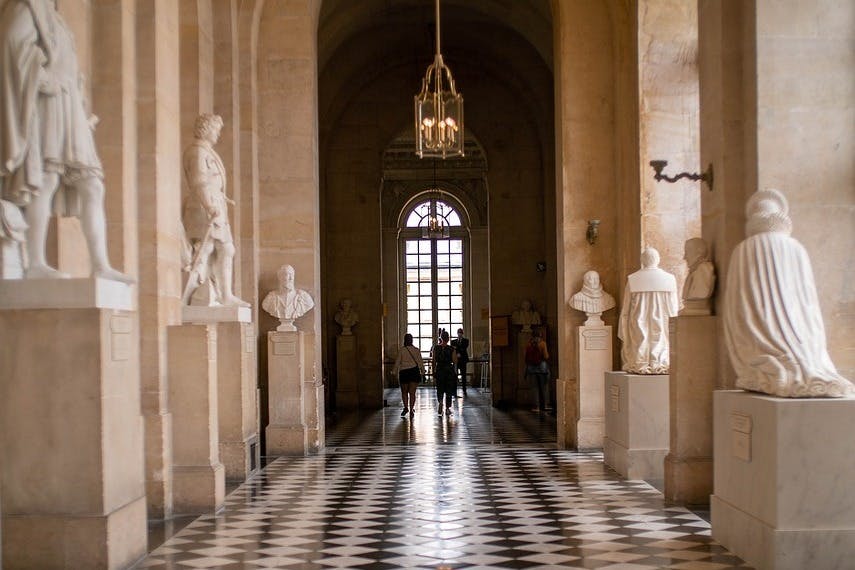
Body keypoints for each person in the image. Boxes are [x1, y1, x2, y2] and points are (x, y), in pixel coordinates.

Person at [0, 0, 131, 282]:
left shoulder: (56, 17)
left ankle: (100, 264)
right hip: (48, 102)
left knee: (92, 184)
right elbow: (11, 42)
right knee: (45, 179)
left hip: (70, 106)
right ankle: (36, 262)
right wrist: (42, 77)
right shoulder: (26, 6)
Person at [723, 189, 853, 398]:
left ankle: (789, 366)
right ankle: (802, 362)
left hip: (757, 332)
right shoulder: (796, 248)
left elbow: (737, 302)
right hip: (801, 336)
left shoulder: (744, 249)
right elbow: (808, 301)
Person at [181, 113, 249, 307]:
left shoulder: (206, 151)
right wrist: (210, 206)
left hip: (215, 204)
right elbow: (199, 182)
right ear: (206, 129)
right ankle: (195, 292)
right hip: (203, 206)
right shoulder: (197, 152)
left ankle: (224, 294)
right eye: (216, 130)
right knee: (206, 248)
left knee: (226, 248)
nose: (218, 134)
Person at [617, 247, 679, 374]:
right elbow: (674, 307)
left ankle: (641, 362)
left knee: (641, 339)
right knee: (660, 338)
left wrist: (623, 324)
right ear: (658, 260)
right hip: (662, 319)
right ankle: (659, 362)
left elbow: (627, 306)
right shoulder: (669, 278)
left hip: (639, 319)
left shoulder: (633, 278)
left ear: (642, 260)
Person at [261, 264, 314, 331]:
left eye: (292, 275)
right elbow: (265, 306)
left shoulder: (304, 297)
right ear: (280, 277)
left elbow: (310, 305)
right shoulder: (271, 298)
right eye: (287, 274)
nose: (291, 278)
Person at [391, 334, 425, 417]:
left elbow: (397, 362)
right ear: (412, 340)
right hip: (414, 372)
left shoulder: (402, 350)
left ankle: (406, 407)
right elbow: (420, 362)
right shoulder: (416, 350)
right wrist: (423, 372)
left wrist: (394, 372)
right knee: (412, 392)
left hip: (404, 372)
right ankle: (411, 409)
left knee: (404, 392)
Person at [680, 237, 715, 316]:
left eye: (687, 252)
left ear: (699, 252)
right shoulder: (694, 271)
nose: (684, 257)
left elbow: (701, 292)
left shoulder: (704, 270)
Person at [431, 329, 457, 416]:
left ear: (441, 338)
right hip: (449, 370)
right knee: (449, 389)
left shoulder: (436, 348)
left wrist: (433, 371)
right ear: (448, 339)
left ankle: (441, 402)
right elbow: (455, 361)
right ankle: (447, 408)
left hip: (439, 369)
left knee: (440, 388)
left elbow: (434, 361)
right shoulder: (451, 349)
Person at [524, 329, 550, 412]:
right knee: (544, 387)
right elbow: (546, 356)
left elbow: (526, 356)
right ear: (540, 335)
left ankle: (536, 407)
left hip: (532, 369)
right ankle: (545, 405)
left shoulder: (528, 344)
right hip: (542, 368)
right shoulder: (543, 343)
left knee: (534, 388)